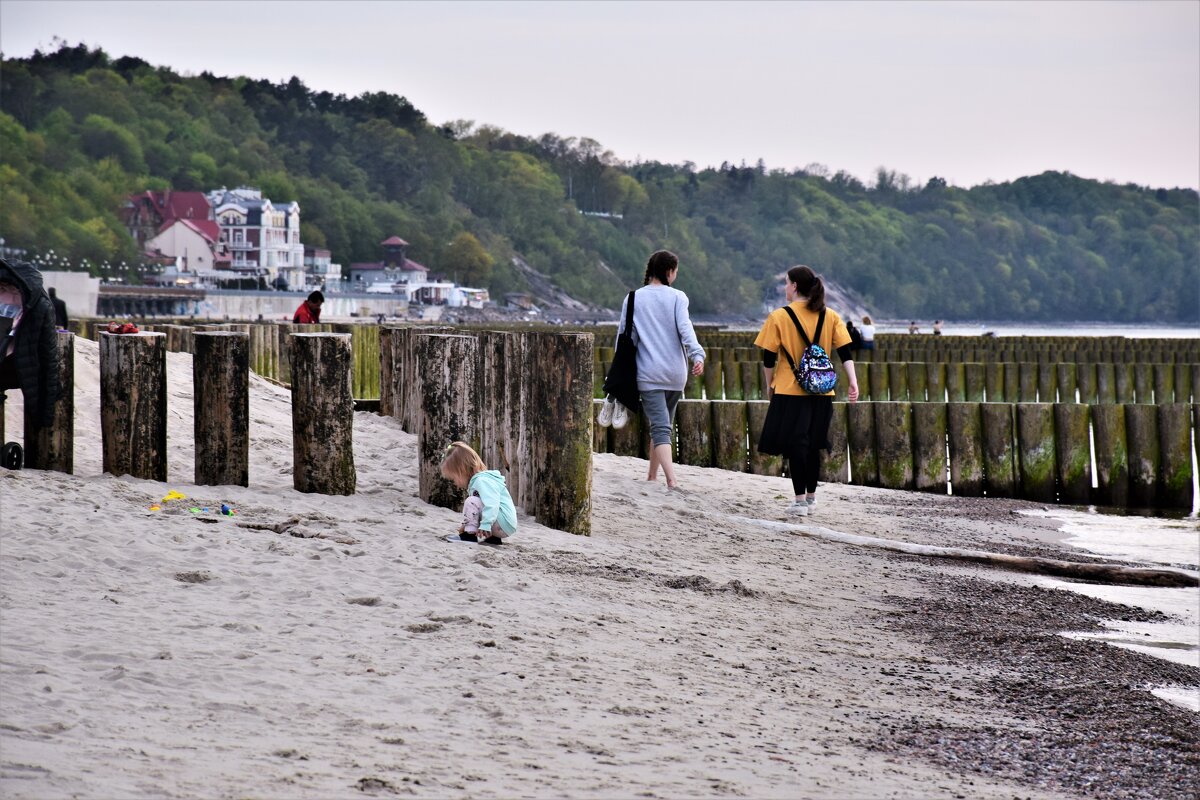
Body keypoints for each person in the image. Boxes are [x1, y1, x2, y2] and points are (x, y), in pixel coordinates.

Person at [754, 265, 858, 517]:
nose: (785, 288)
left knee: (796, 445)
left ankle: (800, 501)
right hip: (823, 391)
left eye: (787, 283)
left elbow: (768, 358)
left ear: (795, 286)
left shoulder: (779, 316)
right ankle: (811, 498)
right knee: (813, 444)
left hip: (790, 390)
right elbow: (845, 352)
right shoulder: (830, 315)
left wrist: (770, 385)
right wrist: (853, 382)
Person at [615, 250, 705, 492]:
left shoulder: (633, 298)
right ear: (669, 272)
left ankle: (671, 479)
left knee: (660, 426)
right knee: (663, 425)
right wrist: (697, 355)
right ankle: (652, 476)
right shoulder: (678, 297)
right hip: (676, 374)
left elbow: (624, 338)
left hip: (649, 374)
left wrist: (618, 369)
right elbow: (686, 330)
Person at [0, 258, 61, 434]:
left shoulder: (38, 306)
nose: (8, 297)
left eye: (10, 290)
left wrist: (46, 411)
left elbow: (48, 355)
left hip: (15, 368)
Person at [440, 441, 517, 544]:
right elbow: (477, 511)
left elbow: (492, 503)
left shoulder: (482, 481)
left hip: (501, 524)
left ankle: (469, 536)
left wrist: (485, 524)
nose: (454, 482)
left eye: (454, 478)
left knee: (471, 501)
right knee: (476, 503)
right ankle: (493, 539)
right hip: (503, 525)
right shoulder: (478, 482)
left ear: (463, 470)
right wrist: (464, 526)